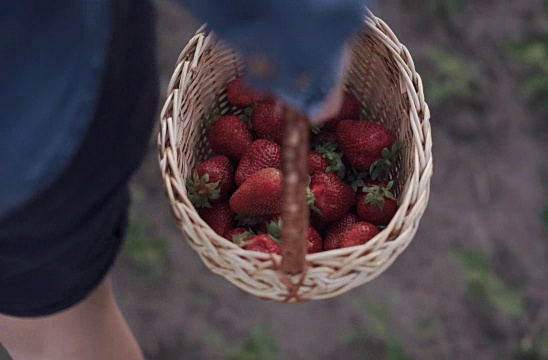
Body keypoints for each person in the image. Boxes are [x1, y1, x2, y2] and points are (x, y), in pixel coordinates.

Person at [0, 1, 366, 359]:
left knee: (56, 330)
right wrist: (307, 39)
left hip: (40, 120)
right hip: (48, 114)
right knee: (60, 333)